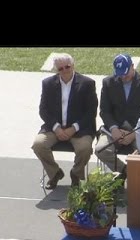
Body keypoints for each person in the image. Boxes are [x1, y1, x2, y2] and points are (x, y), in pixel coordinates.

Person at [31, 53, 98, 189]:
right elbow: (43, 110)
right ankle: (55, 173)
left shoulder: (87, 84)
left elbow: (91, 111)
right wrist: (56, 128)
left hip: (79, 129)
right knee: (38, 144)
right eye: (60, 69)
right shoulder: (48, 84)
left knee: (85, 149)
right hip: (55, 128)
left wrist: (73, 128)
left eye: (67, 67)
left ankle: (76, 174)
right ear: (56, 70)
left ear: (73, 66)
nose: (65, 71)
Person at [95, 53, 140, 180]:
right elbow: (105, 110)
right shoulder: (108, 83)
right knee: (101, 149)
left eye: (126, 73)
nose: (123, 76)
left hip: (138, 130)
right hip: (115, 129)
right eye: (120, 74)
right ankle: (125, 172)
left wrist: (134, 134)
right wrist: (114, 129)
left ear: (133, 66)